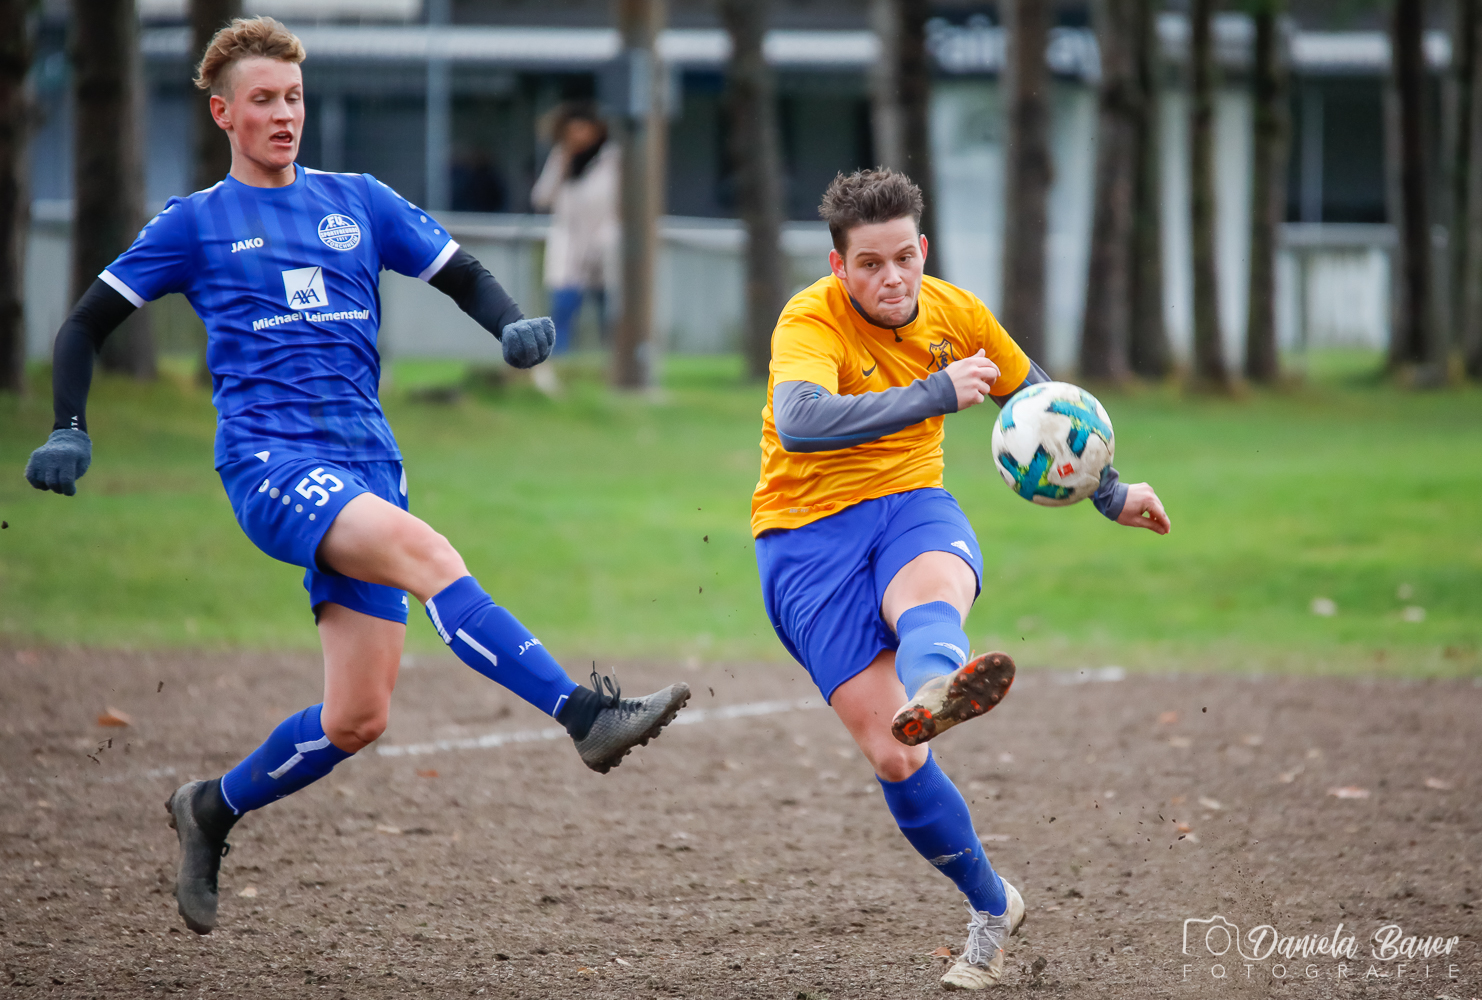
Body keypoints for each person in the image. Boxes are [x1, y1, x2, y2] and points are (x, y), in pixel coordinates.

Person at [22, 17, 689, 936]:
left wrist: (509, 325)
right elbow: (82, 324)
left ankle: (210, 807)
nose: (284, 113)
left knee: (358, 717)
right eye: (263, 100)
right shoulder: (196, 223)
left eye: (293, 97)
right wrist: (68, 426)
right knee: (430, 556)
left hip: (366, 464)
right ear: (223, 113)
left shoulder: (358, 201)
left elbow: (458, 271)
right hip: (270, 463)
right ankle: (584, 715)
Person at [751, 170, 1170, 991]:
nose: (892, 278)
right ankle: (993, 904)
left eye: (904, 257)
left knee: (928, 595)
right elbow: (799, 423)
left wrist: (1112, 492)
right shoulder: (808, 318)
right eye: (869, 265)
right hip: (803, 542)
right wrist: (932, 394)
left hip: (911, 504)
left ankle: (939, 683)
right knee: (895, 760)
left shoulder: (956, 312)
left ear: (924, 249)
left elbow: (1041, 397)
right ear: (840, 269)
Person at [530, 103, 617, 354]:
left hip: (604, 242)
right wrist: (563, 163)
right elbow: (541, 198)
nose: (576, 137)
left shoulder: (612, 159)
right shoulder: (561, 158)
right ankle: (560, 361)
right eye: (571, 132)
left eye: (582, 130)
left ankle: (612, 362)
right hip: (569, 244)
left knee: (608, 311)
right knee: (563, 309)